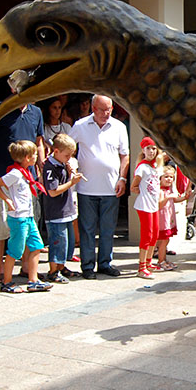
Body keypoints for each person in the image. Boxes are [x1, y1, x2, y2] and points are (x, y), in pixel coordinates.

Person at [0, 74, 45, 282]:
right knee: (1, 224)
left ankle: (26, 267)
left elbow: (39, 141)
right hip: (3, 175)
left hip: (30, 178)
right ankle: (1, 269)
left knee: (29, 222)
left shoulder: (36, 112)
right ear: (14, 90)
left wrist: (41, 169)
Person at [69, 95, 129, 279]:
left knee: (108, 228)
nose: (106, 113)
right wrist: (71, 167)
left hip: (111, 187)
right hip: (87, 187)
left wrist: (123, 179)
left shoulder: (119, 127)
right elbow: (68, 148)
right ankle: (87, 266)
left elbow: (124, 155)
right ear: (93, 108)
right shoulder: (80, 125)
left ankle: (105, 263)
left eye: (109, 109)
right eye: (102, 109)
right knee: (87, 229)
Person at [0, 140, 53, 293]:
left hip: (28, 216)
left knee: (37, 246)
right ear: (26, 158)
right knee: (15, 251)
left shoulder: (25, 173)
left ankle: (33, 280)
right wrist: (7, 200)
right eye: (33, 155)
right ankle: (7, 281)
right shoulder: (15, 174)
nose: (36, 157)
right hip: (19, 218)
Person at [42, 133, 83, 283]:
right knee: (57, 242)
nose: (69, 158)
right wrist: (71, 183)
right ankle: (53, 270)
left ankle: (61, 266)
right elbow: (52, 191)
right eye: (67, 155)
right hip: (56, 212)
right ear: (56, 151)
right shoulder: (50, 167)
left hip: (66, 210)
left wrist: (70, 169)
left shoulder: (62, 164)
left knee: (65, 241)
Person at [130, 137, 163, 278]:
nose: (151, 151)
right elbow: (133, 186)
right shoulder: (142, 167)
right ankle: (141, 267)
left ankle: (149, 262)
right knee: (147, 235)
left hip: (154, 205)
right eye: (148, 148)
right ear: (143, 150)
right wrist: (138, 190)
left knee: (155, 234)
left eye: (154, 148)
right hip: (144, 205)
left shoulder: (155, 167)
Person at [154, 165, 185, 271]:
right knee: (163, 241)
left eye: (171, 177)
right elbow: (159, 205)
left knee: (166, 241)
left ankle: (164, 259)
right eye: (166, 177)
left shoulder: (169, 190)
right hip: (162, 220)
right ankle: (161, 261)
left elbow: (175, 200)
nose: (169, 179)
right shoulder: (161, 191)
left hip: (169, 219)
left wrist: (184, 197)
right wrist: (168, 197)